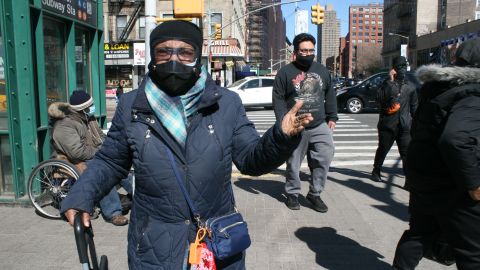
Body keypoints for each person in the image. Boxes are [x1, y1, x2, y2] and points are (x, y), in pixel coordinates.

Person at [60, 20, 312, 269]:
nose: (173, 59)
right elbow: (110, 161)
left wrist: (281, 135)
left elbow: (251, 160)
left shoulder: (227, 103)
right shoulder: (131, 105)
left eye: (185, 52)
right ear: (153, 56)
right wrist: (81, 195)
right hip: (154, 246)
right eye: (164, 51)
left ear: (197, 57)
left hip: (216, 242)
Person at [392, 38, 480, 269]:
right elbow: (455, 139)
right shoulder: (473, 93)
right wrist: (473, 184)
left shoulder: (437, 87)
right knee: (473, 251)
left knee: (419, 235)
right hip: (453, 184)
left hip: (424, 177)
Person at [272, 33, 337, 213]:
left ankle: (315, 194)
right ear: (296, 52)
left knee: (324, 157)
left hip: (319, 124)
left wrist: (332, 116)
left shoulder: (322, 70)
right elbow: (277, 98)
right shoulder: (285, 72)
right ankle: (292, 193)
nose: (307, 53)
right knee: (293, 162)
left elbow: (330, 93)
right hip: (296, 126)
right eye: (303, 50)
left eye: (310, 50)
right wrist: (282, 122)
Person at [49, 90, 129, 226]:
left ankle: (141, 196)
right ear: (82, 108)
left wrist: (112, 148)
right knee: (102, 172)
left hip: (93, 155)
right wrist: (102, 152)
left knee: (122, 164)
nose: (92, 107)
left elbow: (101, 138)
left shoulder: (88, 118)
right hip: (74, 160)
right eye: (90, 105)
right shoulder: (64, 125)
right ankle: (113, 213)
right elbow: (77, 152)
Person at [371, 56, 417, 183]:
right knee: (383, 149)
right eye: (399, 67)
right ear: (394, 68)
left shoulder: (410, 86)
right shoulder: (386, 83)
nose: (402, 69)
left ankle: (409, 180)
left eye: (404, 66)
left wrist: (416, 124)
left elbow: (414, 107)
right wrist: (390, 81)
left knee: (406, 154)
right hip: (388, 124)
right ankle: (376, 170)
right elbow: (379, 98)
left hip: (404, 125)